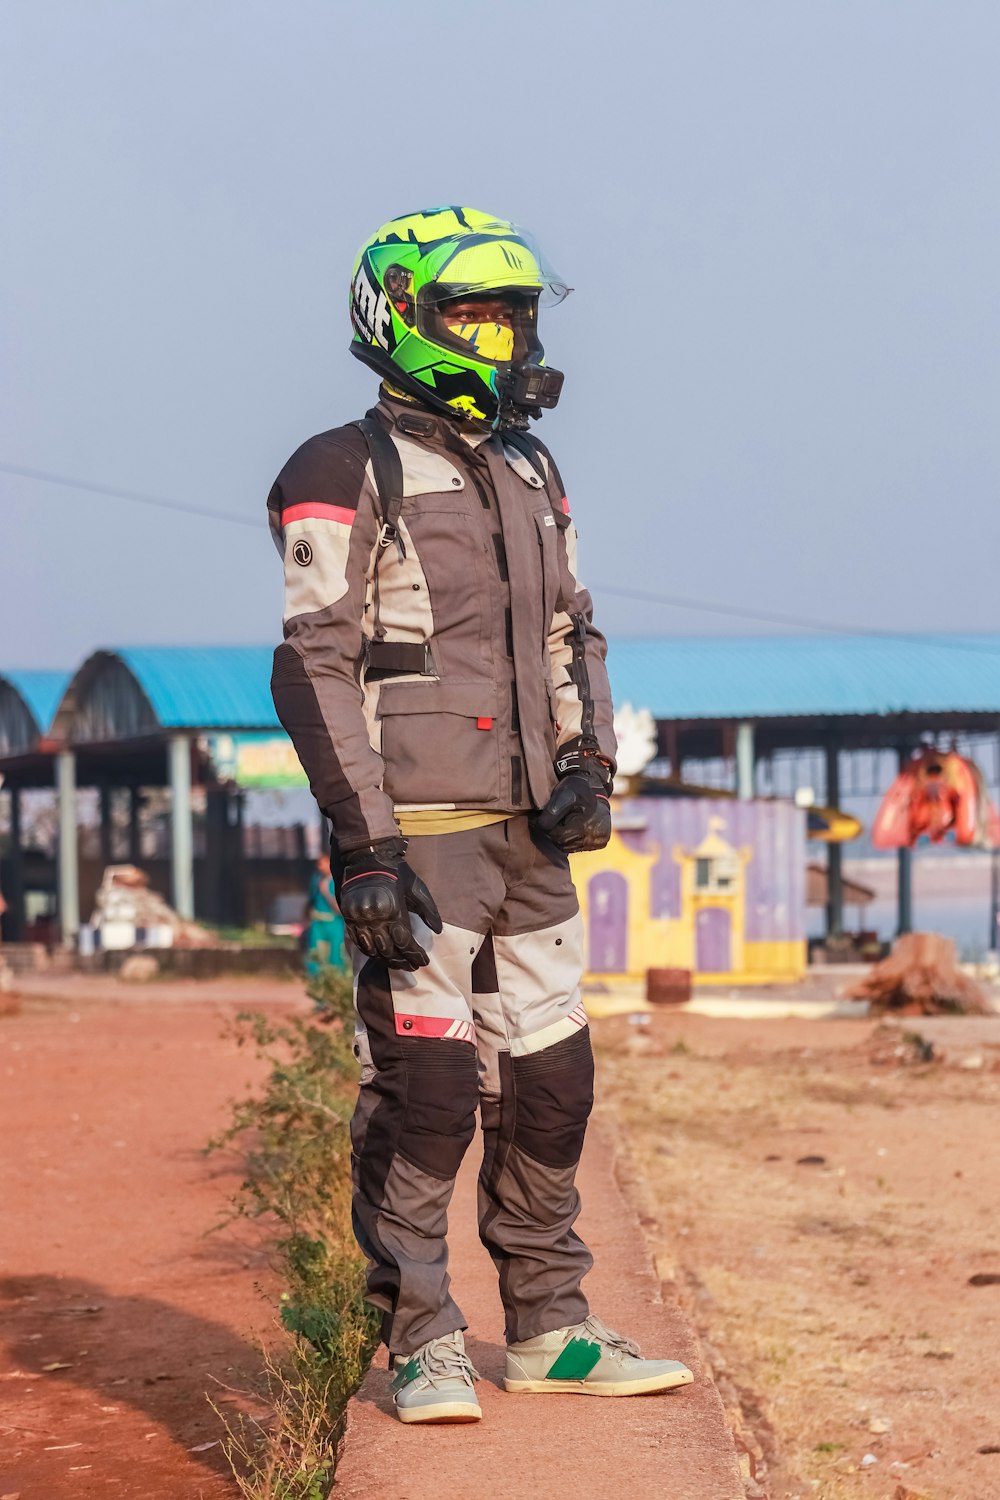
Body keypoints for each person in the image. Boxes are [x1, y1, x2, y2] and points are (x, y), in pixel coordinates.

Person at [269, 207, 692, 1423]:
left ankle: (553, 1325)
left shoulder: (530, 466)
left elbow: (570, 630)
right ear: (399, 317)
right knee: (428, 1088)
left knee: (552, 1081)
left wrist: (588, 768)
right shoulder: (339, 469)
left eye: (513, 311)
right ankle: (420, 1341)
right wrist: (367, 846)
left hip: (529, 837)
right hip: (419, 835)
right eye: (472, 311)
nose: (501, 334)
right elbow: (314, 663)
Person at [303, 852, 347, 981]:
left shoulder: (338, 879)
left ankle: (336, 990)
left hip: (335, 923)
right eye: (318, 863)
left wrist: (327, 893)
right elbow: (311, 901)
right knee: (317, 957)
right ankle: (319, 994)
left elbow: (341, 908)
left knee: (336, 957)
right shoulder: (316, 879)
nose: (320, 866)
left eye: (322, 863)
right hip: (318, 924)